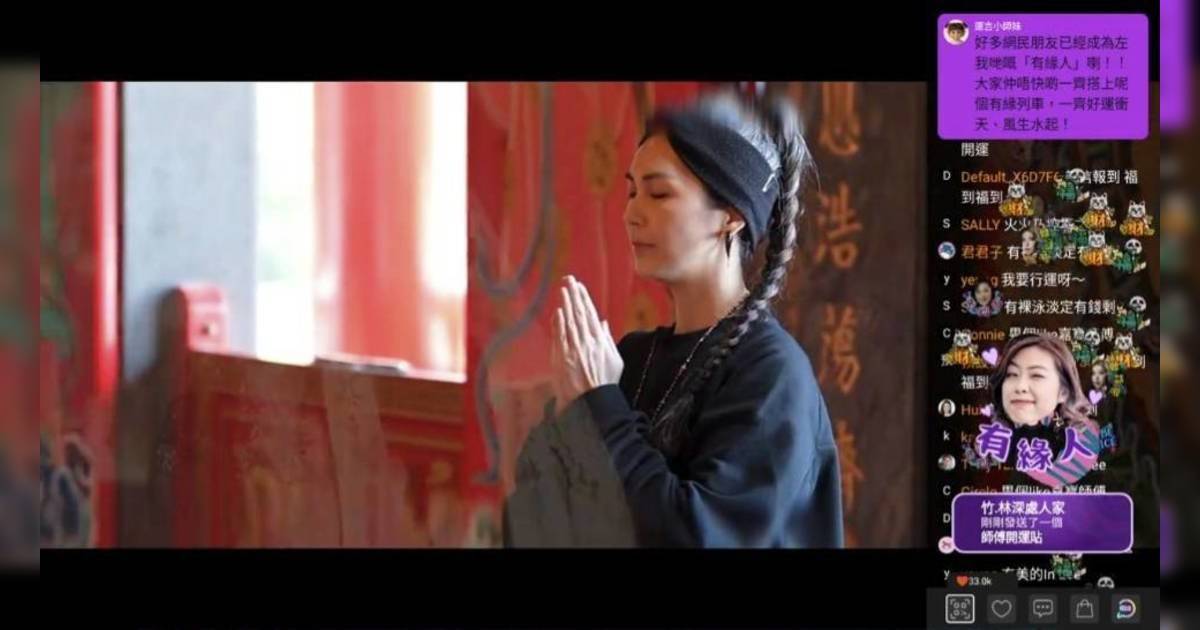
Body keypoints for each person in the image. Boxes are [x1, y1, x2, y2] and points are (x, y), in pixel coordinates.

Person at [503, 91, 843, 548]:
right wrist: (573, 416)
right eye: (631, 191)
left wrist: (601, 406)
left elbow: (697, 536)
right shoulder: (629, 359)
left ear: (731, 216)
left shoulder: (773, 375)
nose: (630, 213)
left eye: (659, 193)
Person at [985, 333, 1102, 489]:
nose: (1020, 387)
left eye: (1036, 375)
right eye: (1012, 374)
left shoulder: (1080, 443)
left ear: (1063, 392)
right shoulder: (995, 441)